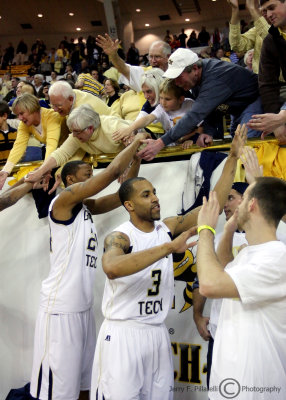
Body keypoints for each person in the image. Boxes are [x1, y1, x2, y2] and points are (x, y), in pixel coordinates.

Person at [90, 124, 247, 400]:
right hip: (123, 334)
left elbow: (214, 203)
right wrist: (167, 249)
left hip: (157, 333)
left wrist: (232, 158)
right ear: (128, 205)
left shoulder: (168, 226)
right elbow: (112, 268)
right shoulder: (120, 237)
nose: (155, 198)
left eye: (154, 192)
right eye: (146, 195)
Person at [29, 133, 147, 400]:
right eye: (87, 173)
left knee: (85, 385)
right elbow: (113, 172)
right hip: (59, 311)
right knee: (56, 393)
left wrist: (136, 159)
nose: (92, 176)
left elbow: (121, 194)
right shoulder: (61, 203)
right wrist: (134, 142)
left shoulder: (86, 208)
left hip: (82, 309)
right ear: (70, 180)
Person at [196, 177, 286, 399]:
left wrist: (206, 229)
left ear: (252, 204)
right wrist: (227, 231)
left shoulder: (277, 257)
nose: (238, 205)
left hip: (255, 389)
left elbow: (209, 284)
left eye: (244, 198)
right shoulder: (250, 251)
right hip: (230, 382)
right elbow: (224, 268)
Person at [138, 47, 263, 160]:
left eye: (179, 77)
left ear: (195, 69)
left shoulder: (214, 77)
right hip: (237, 107)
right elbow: (211, 109)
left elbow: (194, 116)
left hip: (253, 102)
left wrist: (160, 143)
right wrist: (208, 131)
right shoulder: (198, 78)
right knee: (238, 147)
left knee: (245, 149)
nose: (176, 83)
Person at [25, 104, 131, 185]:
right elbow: (60, 153)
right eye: (72, 131)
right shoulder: (77, 135)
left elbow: (136, 139)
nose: (74, 135)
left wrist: (125, 164)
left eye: (76, 131)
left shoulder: (112, 126)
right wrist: (40, 171)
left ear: (90, 128)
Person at [0, 93, 62, 190]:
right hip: (54, 156)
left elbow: (51, 144)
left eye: (21, 113)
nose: (19, 118)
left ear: (32, 108)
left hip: (68, 154)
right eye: (17, 115)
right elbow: (18, 147)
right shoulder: (24, 124)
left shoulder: (51, 116)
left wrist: (44, 169)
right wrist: (5, 171)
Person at [112, 78, 197, 146]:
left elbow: (201, 127)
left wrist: (190, 138)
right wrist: (130, 130)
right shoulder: (160, 107)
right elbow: (146, 118)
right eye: (161, 98)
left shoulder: (190, 103)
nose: (146, 96)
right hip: (172, 144)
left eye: (149, 91)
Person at [96, 34, 171, 92]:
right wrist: (113, 55)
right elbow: (123, 68)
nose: (153, 61)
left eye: (157, 57)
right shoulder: (144, 73)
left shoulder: (176, 75)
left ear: (168, 57)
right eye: (150, 57)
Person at [228, 0, 269, 74]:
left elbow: (272, 41)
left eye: (270, 7)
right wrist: (235, 10)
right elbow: (237, 45)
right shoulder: (257, 30)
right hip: (260, 80)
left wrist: (252, 9)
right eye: (261, 7)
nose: (263, 10)